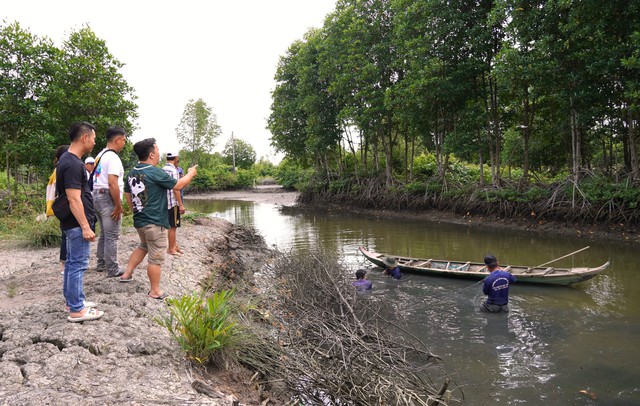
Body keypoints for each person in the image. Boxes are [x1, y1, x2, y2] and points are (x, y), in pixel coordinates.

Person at [119, 138, 197, 300]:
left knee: (143, 246)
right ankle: (155, 291)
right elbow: (178, 185)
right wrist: (190, 173)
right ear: (151, 154)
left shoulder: (132, 172)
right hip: (155, 222)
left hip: (140, 220)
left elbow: (127, 195)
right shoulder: (155, 171)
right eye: (157, 149)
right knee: (156, 257)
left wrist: (136, 210)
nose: (159, 153)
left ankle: (126, 274)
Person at [57, 122, 103, 322]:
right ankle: (76, 310)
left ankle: (74, 301)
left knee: (71, 264)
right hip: (76, 224)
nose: (94, 142)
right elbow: (74, 199)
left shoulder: (66, 159)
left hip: (70, 222)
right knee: (77, 264)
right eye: (93, 138)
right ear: (84, 138)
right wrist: (86, 227)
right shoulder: (74, 164)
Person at [92, 126, 127, 277]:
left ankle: (101, 263)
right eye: (124, 140)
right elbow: (113, 183)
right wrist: (118, 205)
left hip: (96, 196)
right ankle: (112, 269)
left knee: (105, 234)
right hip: (107, 197)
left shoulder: (100, 155)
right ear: (117, 139)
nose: (124, 143)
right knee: (112, 235)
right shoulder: (113, 157)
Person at [46, 145, 70, 275]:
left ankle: (64, 264)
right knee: (66, 236)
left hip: (60, 206)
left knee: (65, 235)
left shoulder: (58, 168)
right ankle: (64, 265)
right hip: (64, 206)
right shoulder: (62, 169)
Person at [163, 151, 185, 256]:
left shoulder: (162, 170)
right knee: (173, 226)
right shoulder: (174, 171)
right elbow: (176, 189)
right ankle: (171, 249)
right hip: (172, 202)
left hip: (164, 202)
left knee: (172, 225)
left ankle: (174, 246)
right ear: (175, 158)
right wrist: (180, 204)